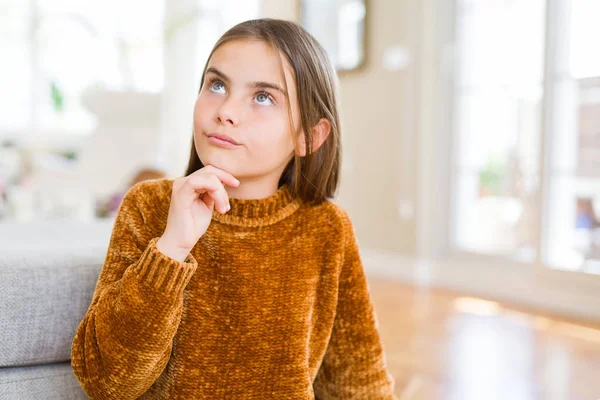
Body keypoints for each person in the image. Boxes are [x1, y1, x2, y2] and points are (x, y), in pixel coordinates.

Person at [71, 18, 396, 399]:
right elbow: (107, 382)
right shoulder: (149, 207)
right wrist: (171, 249)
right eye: (217, 84)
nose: (225, 110)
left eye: (263, 97)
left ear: (310, 136)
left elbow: (358, 380)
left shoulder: (327, 228)